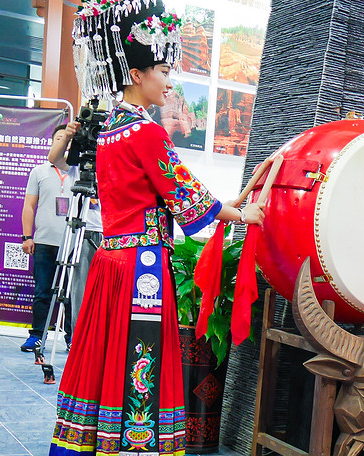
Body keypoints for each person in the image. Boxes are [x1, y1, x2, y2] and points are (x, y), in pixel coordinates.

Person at [50, 2, 264, 454]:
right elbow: (187, 196)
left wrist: (226, 204)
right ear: (135, 73)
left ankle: (92, 440)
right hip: (143, 265)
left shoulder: (109, 129)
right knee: (139, 363)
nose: (170, 81)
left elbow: (175, 192)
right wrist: (243, 215)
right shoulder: (147, 133)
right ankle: (133, 445)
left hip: (112, 261)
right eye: (164, 69)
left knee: (104, 356)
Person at [44, 120, 103, 350]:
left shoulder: (117, 161)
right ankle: (80, 343)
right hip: (83, 231)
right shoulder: (80, 162)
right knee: (79, 293)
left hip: (112, 234)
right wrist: (68, 136)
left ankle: (101, 345)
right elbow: (54, 158)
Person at [20, 129, 78, 352]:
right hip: (45, 242)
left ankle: (72, 338)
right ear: (53, 143)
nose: (64, 144)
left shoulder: (79, 172)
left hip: (74, 243)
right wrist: (27, 236)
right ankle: (37, 336)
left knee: (72, 294)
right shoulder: (39, 171)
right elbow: (29, 205)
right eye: (59, 139)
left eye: (68, 140)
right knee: (43, 291)